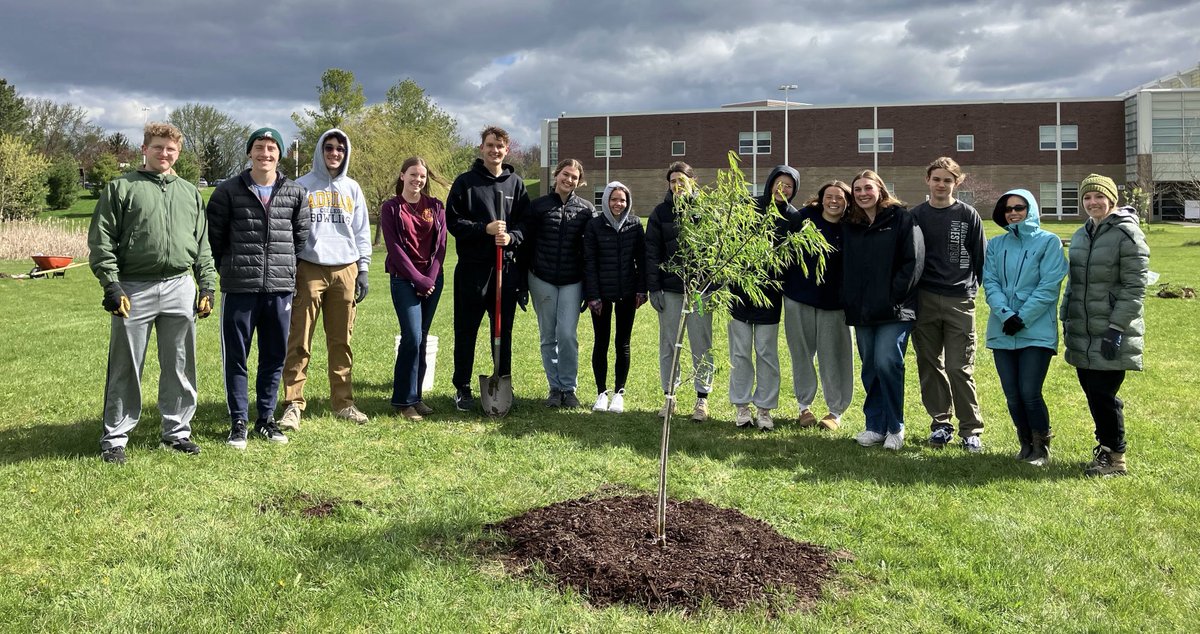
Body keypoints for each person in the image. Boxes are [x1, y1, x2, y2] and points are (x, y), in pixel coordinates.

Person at [88, 121, 217, 464]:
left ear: (178, 153)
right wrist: (111, 283)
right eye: (158, 147)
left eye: (171, 149)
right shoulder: (121, 188)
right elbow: (101, 240)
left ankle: (177, 433)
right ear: (144, 149)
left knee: (179, 363)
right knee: (126, 365)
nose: (165, 154)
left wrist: (207, 283)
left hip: (179, 285)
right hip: (134, 287)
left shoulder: (189, 192)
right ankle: (115, 437)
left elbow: (202, 244)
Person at [207, 127, 309, 448]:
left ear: (280, 155)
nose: (266, 154)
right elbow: (215, 238)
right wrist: (234, 267)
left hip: (279, 289)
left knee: (274, 356)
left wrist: (281, 268)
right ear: (249, 152)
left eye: (271, 149)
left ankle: (266, 419)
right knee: (236, 357)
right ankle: (239, 421)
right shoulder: (226, 192)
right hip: (239, 288)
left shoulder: (295, 193)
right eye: (259, 148)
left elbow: (300, 238)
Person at [278, 129, 372, 430]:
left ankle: (343, 403)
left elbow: (361, 231)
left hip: (345, 268)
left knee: (341, 340)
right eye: (329, 148)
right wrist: (290, 267)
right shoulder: (301, 186)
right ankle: (293, 404)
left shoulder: (353, 189)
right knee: (299, 339)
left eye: (340, 149)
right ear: (320, 150)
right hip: (309, 267)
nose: (334, 153)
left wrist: (364, 269)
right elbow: (289, 231)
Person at [1061, 174, 1149, 477]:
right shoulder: (1082, 233)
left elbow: (1135, 287)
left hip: (1110, 329)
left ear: (1111, 199)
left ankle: (1115, 458)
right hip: (1083, 328)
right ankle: (1106, 448)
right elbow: (1074, 282)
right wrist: (1065, 314)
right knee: (1093, 392)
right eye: (1087, 197)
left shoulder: (1127, 234)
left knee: (1103, 393)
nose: (1092, 202)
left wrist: (1116, 328)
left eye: (1098, 197)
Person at [445, 126, 530, 412]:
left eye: (501, 146)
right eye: (490, 145)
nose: (495, 150)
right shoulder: (465, 183)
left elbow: (525, 225)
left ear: (507, 151)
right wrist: (485, 229)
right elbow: (453, 223)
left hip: (504, 271)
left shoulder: (516, 184)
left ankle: (503, 380)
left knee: (503, 331)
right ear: (481, 148)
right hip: (472, 270)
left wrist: (511, 238)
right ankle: (462, 386)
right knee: (466, 330)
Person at [982, 189, 1068, 466]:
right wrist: (1006, 315)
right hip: (1002, 328)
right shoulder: (996, 245)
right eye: (1008, 209)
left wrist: (1022, 317)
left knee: (1030, 392)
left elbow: (1049, 285)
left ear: (1030, 209)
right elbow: (991, 282)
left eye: (1019, 207)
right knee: (1012, 395)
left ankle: (1042, 448)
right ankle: (1025, 443)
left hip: (1036, 330)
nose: (1013, 213)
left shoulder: (1049, 242)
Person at [842, 170, 924, 450]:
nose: (863, 194)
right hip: (862, 311)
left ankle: (895, 427)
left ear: (880, 190)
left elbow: (912, 262)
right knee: (870, 367)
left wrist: (893, 298)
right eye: (857, 190)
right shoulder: (850, 224)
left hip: (895, 310)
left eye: (868, 188)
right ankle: (875, 425)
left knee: (888, 362)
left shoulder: (901, 218)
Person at [910, 157, 988, 451]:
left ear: (957, 183)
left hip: (960, 300)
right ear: (927, 180)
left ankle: (971, 430)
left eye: (948, 180)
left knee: (959, 367)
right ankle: (941, 424)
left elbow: (981, 260)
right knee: (930, 364)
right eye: (937, 179)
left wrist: (975, 293)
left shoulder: (968, 215)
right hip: (925, 299)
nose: (941, 184)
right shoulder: (916, 215)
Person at [728, 165, 799, 431]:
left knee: (767, 352)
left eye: (789, 186)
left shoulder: (793, 218)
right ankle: (742, 406)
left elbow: (793, 258)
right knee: (740, 352)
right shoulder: (749, 208)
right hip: (740, 293)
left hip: (770, 296)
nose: (784, 189)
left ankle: (765, 409)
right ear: (770, 183)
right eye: (779, 183)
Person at [783, 180, 854, 432]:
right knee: (801, 354)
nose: (834, 201)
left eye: (840, 198)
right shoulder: (803, 219)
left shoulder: (851, 228)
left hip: (834, 305)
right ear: (821, 198)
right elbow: (784, 250)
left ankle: (835, 411)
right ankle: (804, 407)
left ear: (847, 202)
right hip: (798, 299)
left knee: (834, 356)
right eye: (829, 196)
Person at [646, 161, 714, 421]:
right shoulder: (660, 213)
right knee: (669, 344)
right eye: (673, 181)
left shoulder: (706, 211)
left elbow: (715, 252)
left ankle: (702, 399)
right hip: (670, 290)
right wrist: (654, 288)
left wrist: (710, 286)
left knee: (701, 344)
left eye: (681, 180)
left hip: (699, 291)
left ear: (692, 181)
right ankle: (669, 396)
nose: (677, 185)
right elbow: (651, 253)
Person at [381, 157, 448, 421]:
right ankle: (403, 401)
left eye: (422, 176)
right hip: (403, 279)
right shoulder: (391, 208)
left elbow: (441, 245)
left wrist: (430, 278)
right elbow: (394, 248)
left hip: (432, 280)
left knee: (421, 335)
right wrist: (418, 280)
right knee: (412, 336)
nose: (417, 180)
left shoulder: (435, 206)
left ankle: (416, 395)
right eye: (413, 175)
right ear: (402, 176)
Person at [525, 158, 595, 408]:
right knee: (548, 336)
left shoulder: (586, 209)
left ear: (580, 181)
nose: (569, 180)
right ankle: (555, 389)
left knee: (566, 334)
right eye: (565, 174)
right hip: (541, 278)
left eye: (574, 177)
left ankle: (569, 387)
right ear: (556, 175)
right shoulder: (538, 207)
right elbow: (527, 245)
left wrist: (590, 287)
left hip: (571, 281)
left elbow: (590, 251)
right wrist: (523, 284)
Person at [584, 181, 647, 413]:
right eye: (614, 199)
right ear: (606, 201)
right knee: (601, 342)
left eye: (622, 200)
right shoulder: (594, 226)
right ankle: (601, 392)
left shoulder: (635, 225)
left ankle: (619, 392)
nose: (618, 204)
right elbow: (589, 262)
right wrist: (593, 295)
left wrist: (642, 290)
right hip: (601, 294)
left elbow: (641, 260)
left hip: (627, 293)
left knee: (623, 343)